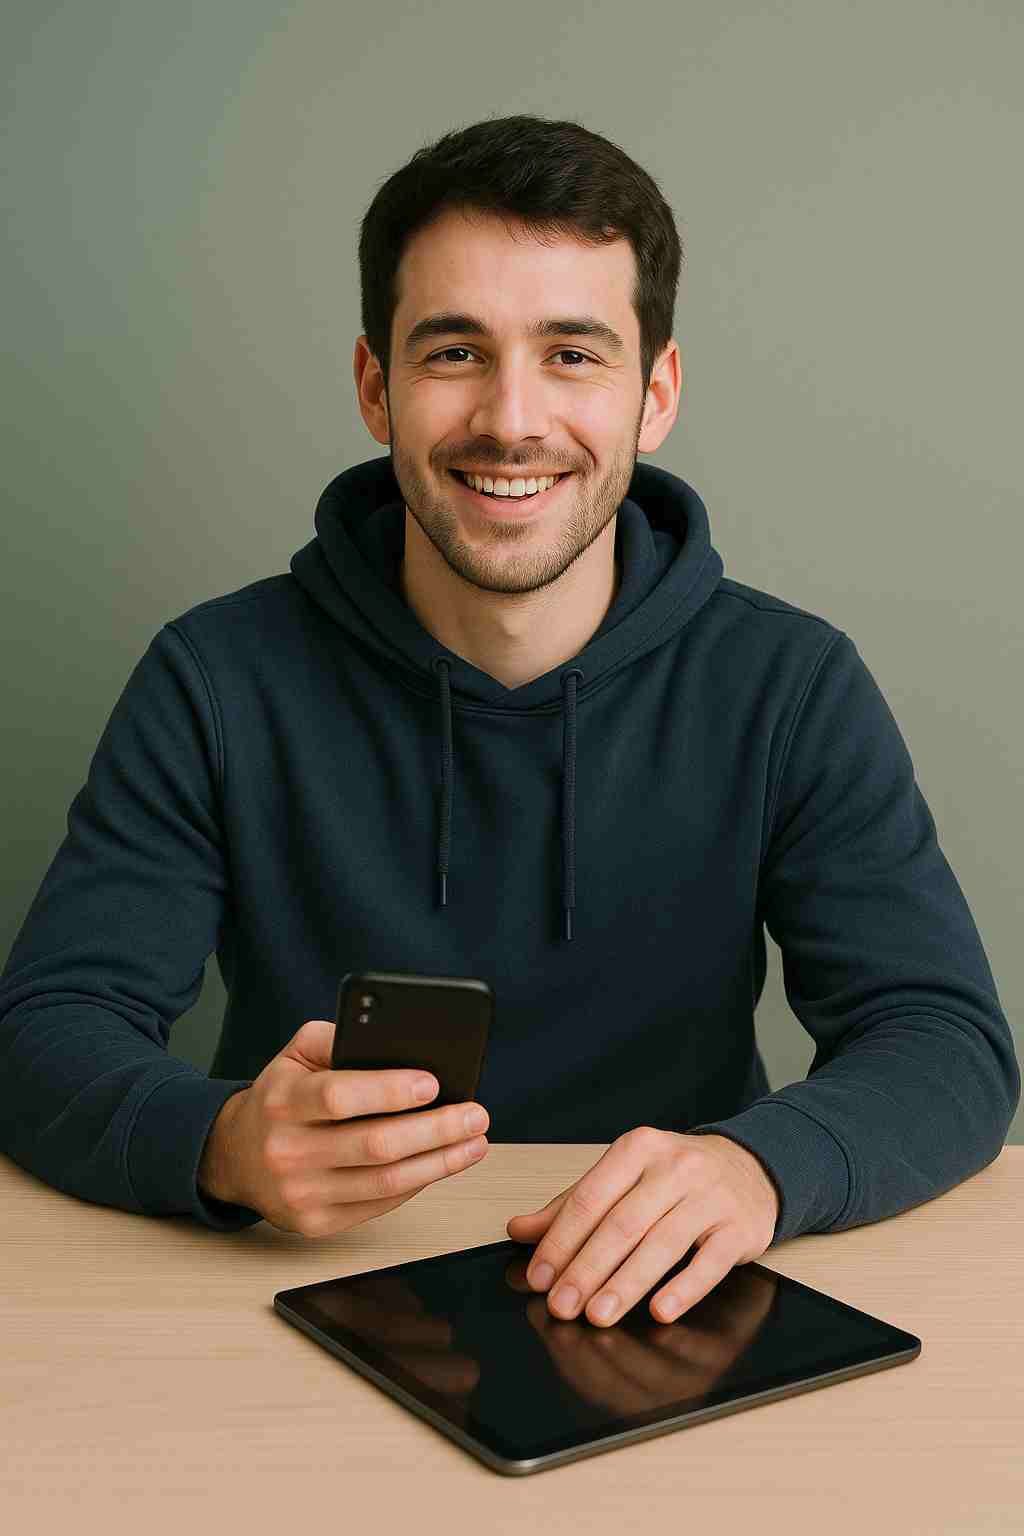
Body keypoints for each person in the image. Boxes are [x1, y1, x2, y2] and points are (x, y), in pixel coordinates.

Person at [0, 115, 1017, 1327]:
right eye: (454, 352)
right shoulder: (214, 678)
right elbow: (46, 1031)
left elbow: (944, 1040)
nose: (511, 418)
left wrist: (759, 1169)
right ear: (375, 387)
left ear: (654, 395)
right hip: (296, 1292)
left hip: (664, 1310)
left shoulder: (788, 683)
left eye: (572, 354)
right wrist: (218, 1143)